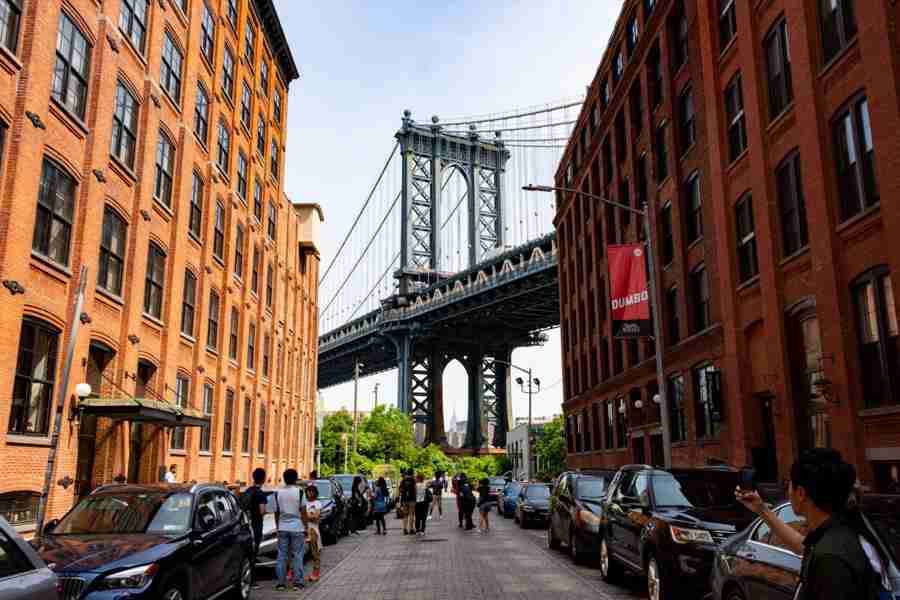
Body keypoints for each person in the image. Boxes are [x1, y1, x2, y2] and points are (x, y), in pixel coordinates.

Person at [736, 448, 893, 600]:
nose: (787, 491)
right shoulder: (840, 534)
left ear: (801, 493)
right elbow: (803, 546)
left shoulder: (831, 558)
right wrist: (762, 510)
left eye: (788, 484)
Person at [270, 468, 306, 591]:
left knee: (281, 555)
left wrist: (278, 526)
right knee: (297, 555)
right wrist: (305, 527)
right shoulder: (300, 492)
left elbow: (276, 512)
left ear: (284, 479)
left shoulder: (277, 493)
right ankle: (298, 582)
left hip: (282, 527)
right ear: (295, 479)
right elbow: (303, 511)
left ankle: (280, 583)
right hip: (297, 527)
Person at [243, 468, 269, 590]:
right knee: (254, 554)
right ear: (263, 479)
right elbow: (262, 511)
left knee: (247, 554)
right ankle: (252, 581)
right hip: (256, 526)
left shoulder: (247, 491)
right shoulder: (260, 494)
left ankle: (246, 578)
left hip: (246, 526)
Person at [304, 485, 322, 583]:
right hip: (304, 530)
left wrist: (308, 515)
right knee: (303, 554)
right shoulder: (304, 503)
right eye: (308, 491)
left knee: (315, 553)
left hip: (314, 530)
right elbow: (302, 515)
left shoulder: (317, 503)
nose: (310, 493)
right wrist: (309, 515)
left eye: (312, 491)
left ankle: (316, 573)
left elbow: (316, 516)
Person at [399, 468, 417, 535]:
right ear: (412, 473)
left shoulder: (403, 480)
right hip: (412, 499)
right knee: (412, 514)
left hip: (404, 499)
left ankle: (404, 529)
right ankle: (411, 529)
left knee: (405, 515)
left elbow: (400, 490)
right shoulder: (413, 480)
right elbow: (415, 490)